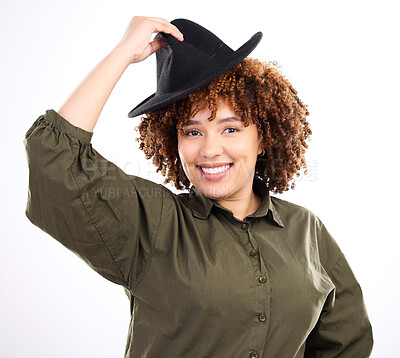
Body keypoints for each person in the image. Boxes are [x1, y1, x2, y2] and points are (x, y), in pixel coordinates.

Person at [23, 16, 373, 358]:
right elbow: (54, 159)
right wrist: (122, 54)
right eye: (192, 132)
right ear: (171, 141)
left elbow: (345, 341)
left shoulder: (307, 230)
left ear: (263, 138)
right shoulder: (153, 222)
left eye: (230, 128)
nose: (209, 149)